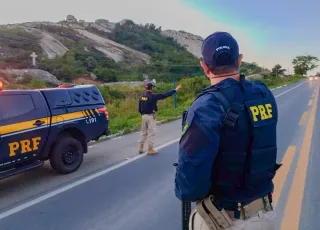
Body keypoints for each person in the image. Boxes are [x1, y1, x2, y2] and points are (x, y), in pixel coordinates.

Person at [174, 32, 280, 230]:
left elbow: (190, 186)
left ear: (204, 67)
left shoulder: (206, 106)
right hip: (265, 214)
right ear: (239, 60)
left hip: (225, 220)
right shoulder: (264, 94)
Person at [138, 82, 182, 155]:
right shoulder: (153, 96)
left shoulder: (142, 96)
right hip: (150, 116)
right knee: (151, 133)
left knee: (143, 132)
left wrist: (142, 114)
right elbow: (164, 95)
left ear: (146, 88)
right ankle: (150, 149)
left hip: (143, 116)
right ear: (151, 88)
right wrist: (175, 90)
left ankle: (140, 148)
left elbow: (139, 108)